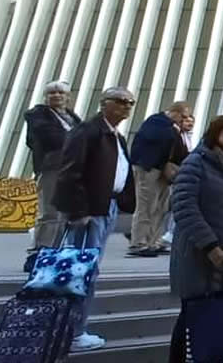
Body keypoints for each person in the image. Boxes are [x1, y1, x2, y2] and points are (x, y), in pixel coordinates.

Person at [168, 115, 223, 362]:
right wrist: (210, 245)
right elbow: (184, 206)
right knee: (193, 317)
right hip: (197, 255)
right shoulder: (196, 162)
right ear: (215, 133)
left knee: (219, 319)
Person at [54, 87, 138, 352]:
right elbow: (70, 172)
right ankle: (72, 332)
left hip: (107, 206)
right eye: (120, 101)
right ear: (104, 104)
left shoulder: (114, 135)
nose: (126, 107)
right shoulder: (88, 131)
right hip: (89, 211)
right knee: (81, 269)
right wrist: (78, 211)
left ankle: (73, 328)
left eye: (130, 102)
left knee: (88, 268)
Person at [23, 81, 83, 273]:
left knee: (67, 213)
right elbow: (51, 138)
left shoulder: (73, 117)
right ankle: (40, 251)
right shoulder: (38, 115)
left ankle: (57, 250)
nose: (56, 96)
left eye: (61, 92)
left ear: (68, 97)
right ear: (45, 97)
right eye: (52, 93)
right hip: (52, 168)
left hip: (72, 169)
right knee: (50, 212)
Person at [127, 101, 192, 257]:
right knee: (146, 206)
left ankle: (152, 241)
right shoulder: (157, 122)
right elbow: (154, 142)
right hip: (150, 168)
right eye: (183, 116)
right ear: (174, 112)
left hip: (163, 170)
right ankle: (139, 242)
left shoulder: (175, 130)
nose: (184, 120)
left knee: (160, 208)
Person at [163, 114, 196, 247]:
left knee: (175, 206)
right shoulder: (176, 135)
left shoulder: (187, 137)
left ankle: (170, 233)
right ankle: (167, 233)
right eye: (187, 121)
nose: (190, 124)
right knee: (172, 205)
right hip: (175, 174)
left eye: (192, 122)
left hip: (181, 174)